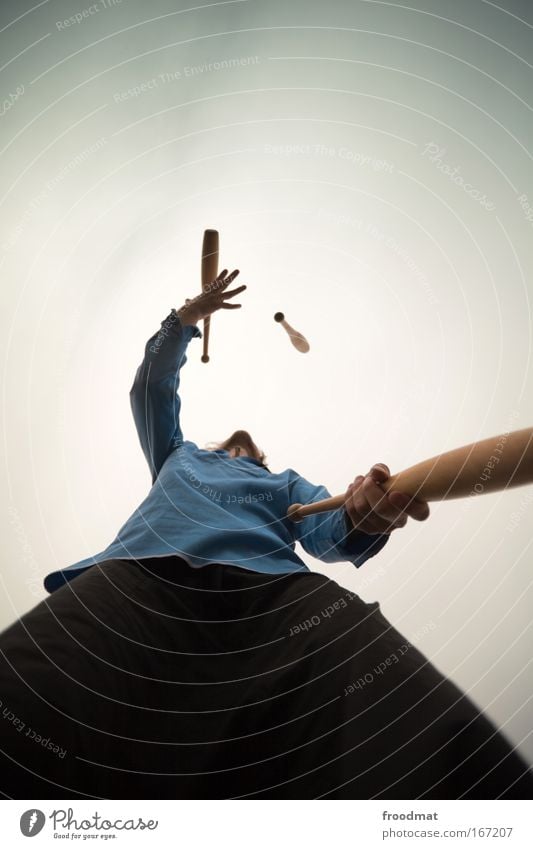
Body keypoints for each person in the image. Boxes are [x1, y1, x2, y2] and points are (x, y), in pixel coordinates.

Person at [0, 269, 531, 800]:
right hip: (138, 582)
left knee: (413, 734)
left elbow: (330, 529)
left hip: (280, 602)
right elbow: (151, 388)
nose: (240, 448)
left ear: (261, 459)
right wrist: (187, 317)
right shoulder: (177, 455)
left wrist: (362, 513)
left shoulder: (284, 485)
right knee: (24, 697)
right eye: (233, 445)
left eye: (249, 449)